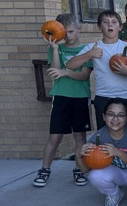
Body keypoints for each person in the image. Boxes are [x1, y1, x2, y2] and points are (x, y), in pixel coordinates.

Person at [32, 13, 93, 188]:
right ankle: (44, 170)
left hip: (80, 97)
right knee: (54, 136)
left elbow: (83, 75)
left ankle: (79, 169)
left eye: (71, 31)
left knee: (80, 136)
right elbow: (54, 71)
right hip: (61, 97)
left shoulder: (86, 50)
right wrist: (56, 49)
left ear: (79, 29)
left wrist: (66, 73)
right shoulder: (55, 48)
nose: (68, 35)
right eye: (64, 32)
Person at [67, 10, 127, 130]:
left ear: (120, 27)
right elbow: (70, 65)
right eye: (105, 22)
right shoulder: (93, 47)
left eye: (114, 22)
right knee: (104, 135)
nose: (110, 25)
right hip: (103, 97)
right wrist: (90, 54)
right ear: (99, 27)